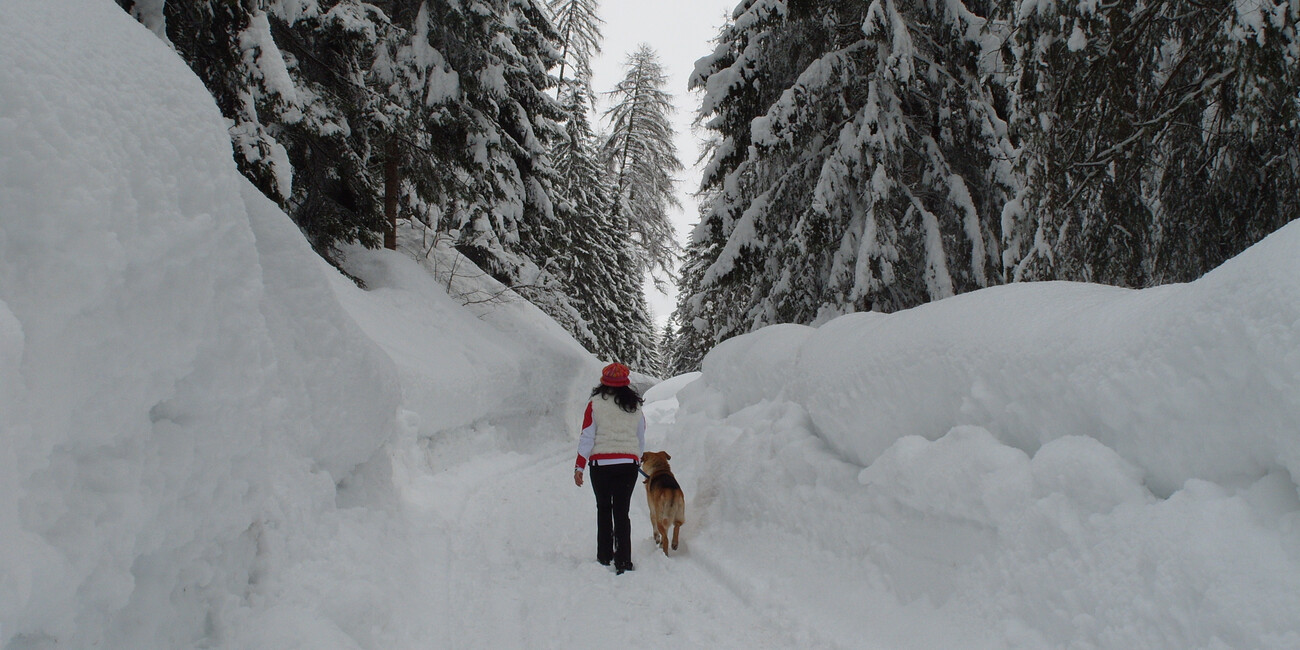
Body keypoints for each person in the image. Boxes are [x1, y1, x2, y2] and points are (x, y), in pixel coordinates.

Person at [573, 362, 646, 574]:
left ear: (603, 383)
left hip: (601, 464)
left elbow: (587, 436)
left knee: (604, 508)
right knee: (622, 511)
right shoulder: (635, 406)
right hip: (628, 464)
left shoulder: (595, 404)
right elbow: (640, 437)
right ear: (626, 383)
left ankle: (604, 555)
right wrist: (637, 459)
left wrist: (579, 466)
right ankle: (624, 560)